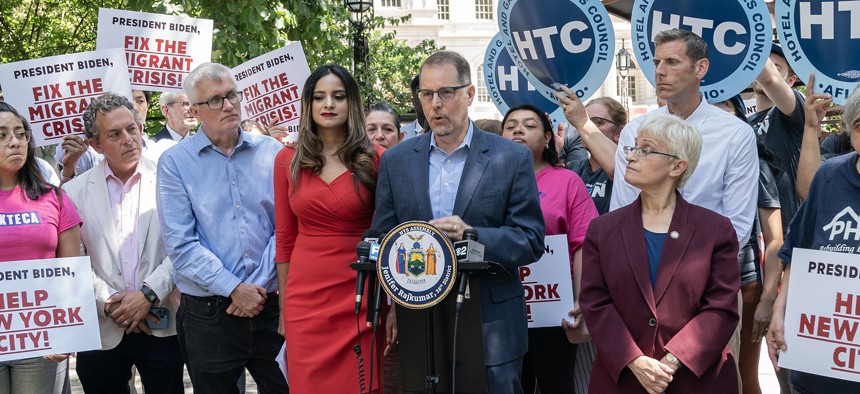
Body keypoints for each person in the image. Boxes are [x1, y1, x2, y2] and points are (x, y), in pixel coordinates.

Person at [371, 50, 545, 393]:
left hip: (490, 324)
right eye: (426, 93)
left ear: (469, 94)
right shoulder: (396, 161)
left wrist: (472, 236)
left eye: (446, 93)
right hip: (422, 322)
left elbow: (531, 240)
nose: (435, 104)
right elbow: (382, 234)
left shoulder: (510, 157)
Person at [581, 113, 741, 393]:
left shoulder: (715, 230)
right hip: (624, 378)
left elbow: (721, 307)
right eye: (632, 148)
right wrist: (634, 360)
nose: (630, 157)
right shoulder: (602, 229)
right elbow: (595, 303)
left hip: (695, 380)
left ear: (677, 166)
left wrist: (673, 361)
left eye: (645, 150)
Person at [156, 62, 288, 393]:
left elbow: (285, 229)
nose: (228, 105)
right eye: (215, 100)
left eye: (232, 95)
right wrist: (234, 289)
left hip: (270, 304)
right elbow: (182, 246)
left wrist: (253, 289)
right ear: (195, 110)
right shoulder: (174, 163)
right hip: (209, 315)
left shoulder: (273, 153)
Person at [274, 64, 386, 394]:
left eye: (338, 96)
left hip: (361, 289)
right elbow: (285, 236)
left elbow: (386, 232)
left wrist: (388, 305)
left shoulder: (376, 158)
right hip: (304, 296)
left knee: (361, 383)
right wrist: (282, 309)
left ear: (351, 103)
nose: (329, 104)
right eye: (319, 96)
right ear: (308, 104)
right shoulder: (286, 159)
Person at [62, 92, 183, 394]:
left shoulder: (172, 179)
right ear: (95, 144)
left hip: (162, 321)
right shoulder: (74, 192)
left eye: (132, 128)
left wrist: (147, 296)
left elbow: (184, 245)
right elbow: (72, 261)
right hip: (103, 328)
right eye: (114, 134)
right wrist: (112, 303)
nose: (128, 139)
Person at [591, 29, 758, 247]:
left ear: (700, 68)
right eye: (657, 62)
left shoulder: (736, 134)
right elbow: (623, 209)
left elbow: (738, 226)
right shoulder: (635, 131)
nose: (659, 71)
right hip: (641, 266)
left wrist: (689, 265)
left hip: (706, 267)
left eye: (671, 62)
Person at [767, 83, 860, 393]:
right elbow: (798, 250)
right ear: (853, 130)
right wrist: (780, 311)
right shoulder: (829, 175)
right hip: (816, 367)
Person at [501, 104, 598, 393]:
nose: (518, 129)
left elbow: (584, 243)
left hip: (553, 311)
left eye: (529, 125)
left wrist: (581, 301)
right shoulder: (486, 181)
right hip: (501, 311)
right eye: (510, 125)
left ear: (547, 139)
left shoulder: (568, 181)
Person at [0, 102, 82, 393]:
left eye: (20, 134)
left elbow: (72, 272)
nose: (14, 142)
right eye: (2, 135)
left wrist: (70, 332)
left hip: (41, 338)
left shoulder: (55, 198)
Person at [716, 95, 785, 394]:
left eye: (723, 108)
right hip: (689, 284)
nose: (714, 117)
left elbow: (775, 239)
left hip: (743, 285)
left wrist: (767, 300)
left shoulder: (754, 162)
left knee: (742, 379)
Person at [749, 43, 805, 236]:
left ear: (790, 80)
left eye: (777, 66)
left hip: (787, 230)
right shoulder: (741, 123)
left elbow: (770, 78)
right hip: (750, 231)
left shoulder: (795, 109)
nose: (767, 68)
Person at [563, 96, 625, 215]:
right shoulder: (573, 169)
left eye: (597, 122)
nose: (586, 128)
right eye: (583, 122)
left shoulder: (627, 168)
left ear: (619, 132)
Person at [400, 75, 427, 140]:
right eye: (421, 95)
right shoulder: (401, 136)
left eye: (429, 94)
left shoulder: (451, 134)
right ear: (413, 102)